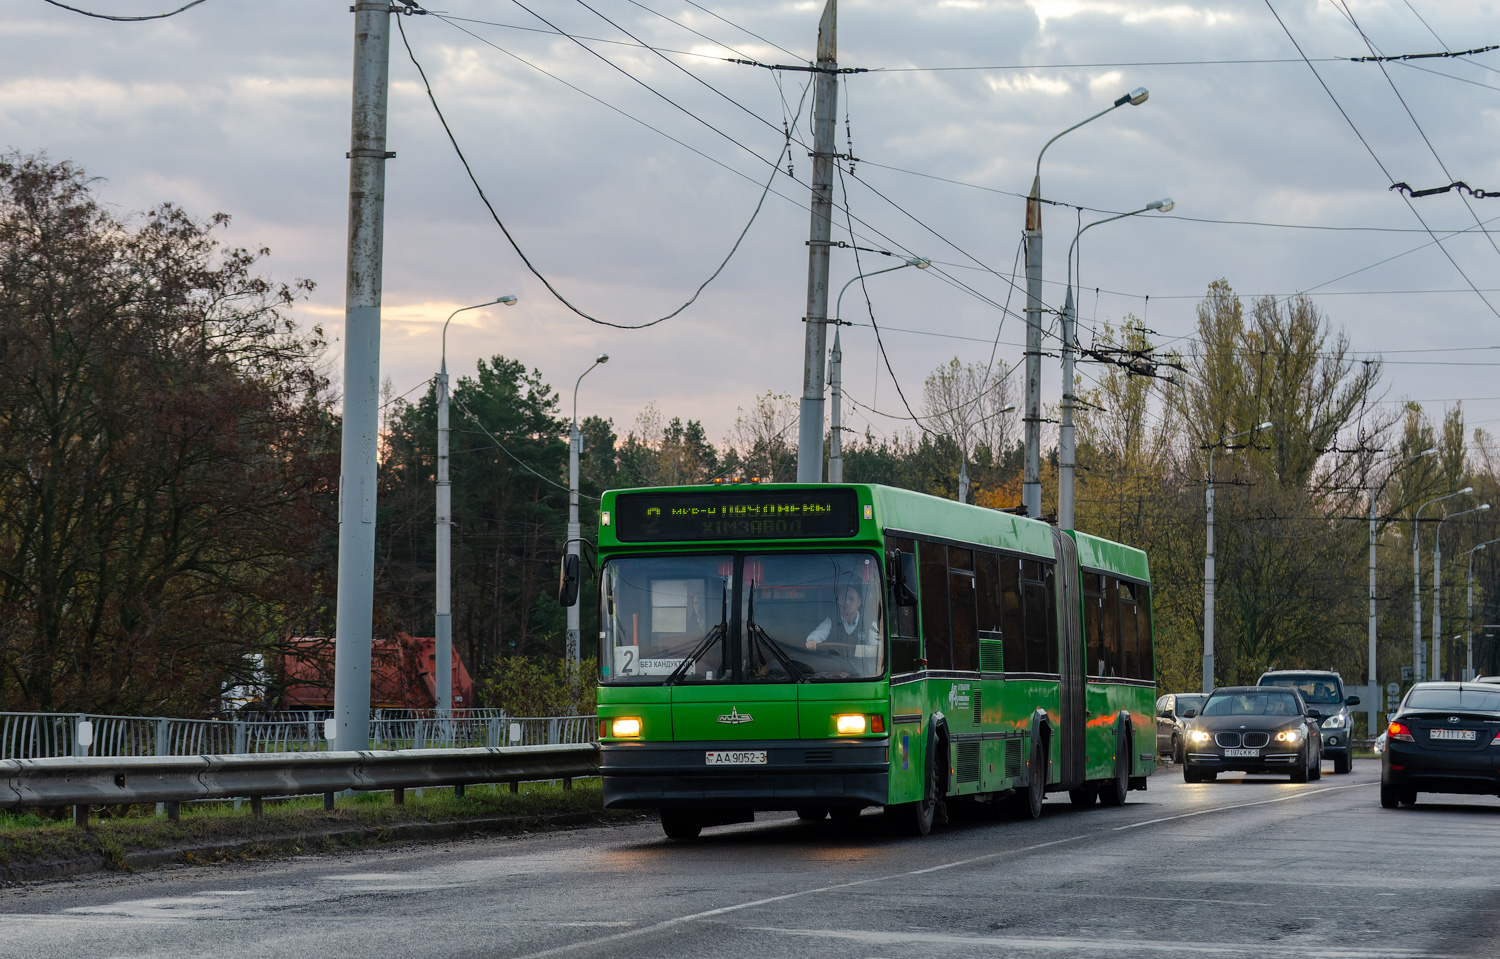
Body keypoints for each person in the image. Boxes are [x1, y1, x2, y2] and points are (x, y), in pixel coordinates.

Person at [805, 584, 879, 654]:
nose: (846, 602)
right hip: (836, 665)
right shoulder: (831, 621)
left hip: (860, 667)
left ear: (859, 602)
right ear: (838, 601)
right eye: (843, 598)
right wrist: (812, 641)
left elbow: (878, 648)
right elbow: (815, 636)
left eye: (851, 598)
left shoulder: (869, 623)